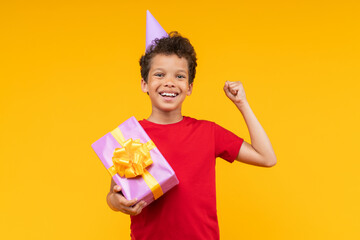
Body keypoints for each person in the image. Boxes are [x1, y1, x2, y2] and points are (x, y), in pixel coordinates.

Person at [106, 31, 277, 240]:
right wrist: (118, 203)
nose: (169, 82)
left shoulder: (208, 132)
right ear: (144, 84)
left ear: (189, 87)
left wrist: (242, 104)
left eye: (179, 76)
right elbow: (114, 195)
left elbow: (266, 157)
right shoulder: (130, 136)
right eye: (159, 74)